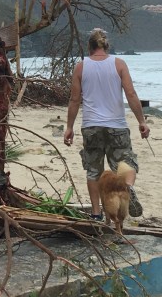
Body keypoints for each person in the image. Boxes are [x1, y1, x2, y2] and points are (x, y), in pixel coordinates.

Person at [63, 28, 150, 220]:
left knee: (94, 171)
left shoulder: (81, 67)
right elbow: (131, 94)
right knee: (125, 165)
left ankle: (96, 214)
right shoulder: (119, 64)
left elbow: (74, 100)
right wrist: (141, 121)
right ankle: (127, 188)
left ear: (90, 46)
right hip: (117, 125)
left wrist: (69, 127)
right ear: (106, 45)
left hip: (91, 126)